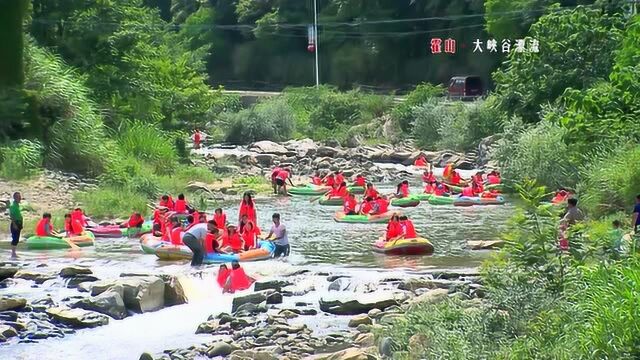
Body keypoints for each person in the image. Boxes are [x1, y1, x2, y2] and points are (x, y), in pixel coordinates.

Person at [9, 192, 23, 259]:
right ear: (14, 198)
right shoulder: (13, 206)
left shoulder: (17, 205)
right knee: (15, 239)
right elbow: (12, 216)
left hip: (19, 223)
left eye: (20, 197)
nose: (20, 198)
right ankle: (13, 254)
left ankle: (14, 253)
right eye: (18, 197)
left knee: (17, 239)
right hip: (15, 223)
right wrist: (14, 224)